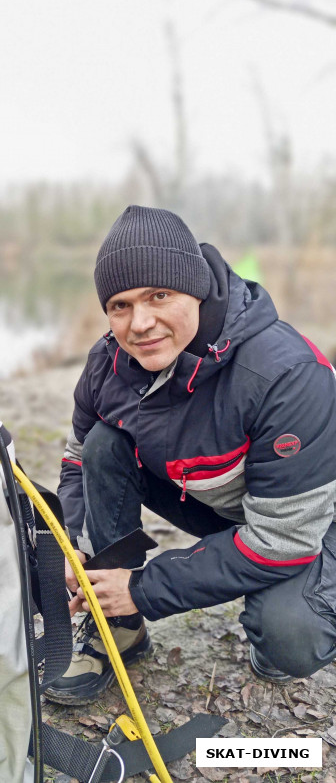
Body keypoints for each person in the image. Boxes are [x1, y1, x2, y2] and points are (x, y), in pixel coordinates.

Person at [44, 205, 336, 706]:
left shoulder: (287, 375)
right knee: (103, 444)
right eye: (120, 305)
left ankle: (287, 603)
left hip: (306, 521)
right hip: (223, 504)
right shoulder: (106, 363)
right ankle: (120, 627)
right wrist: (75, 544)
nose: (140, 323)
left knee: (291, 639)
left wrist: (142, 586)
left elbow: (283, 539)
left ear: (197, 288)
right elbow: (77, 459)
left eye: (160, 295)